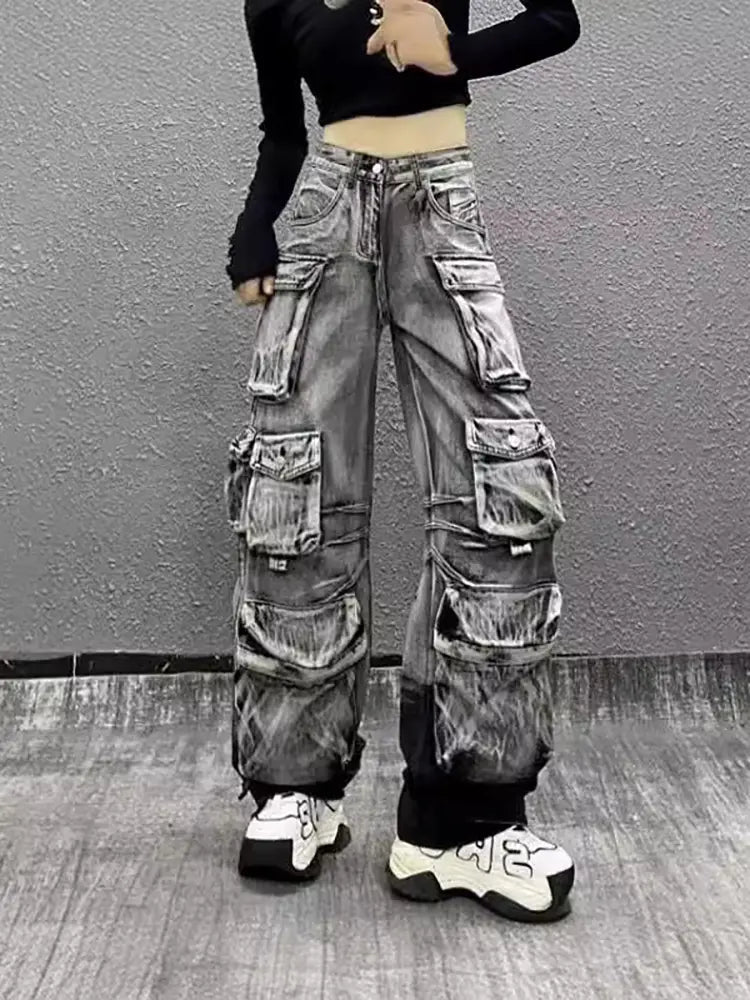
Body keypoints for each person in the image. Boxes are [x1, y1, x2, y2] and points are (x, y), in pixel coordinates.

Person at [223, 0, 581, 923]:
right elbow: (282, 133)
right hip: (323, 219)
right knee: (294, 493)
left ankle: (462, 818)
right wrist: (256, 224)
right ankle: (294, 788)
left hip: (440, 201)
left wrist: (454, 52)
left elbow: (557, 18)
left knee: (499, 487)